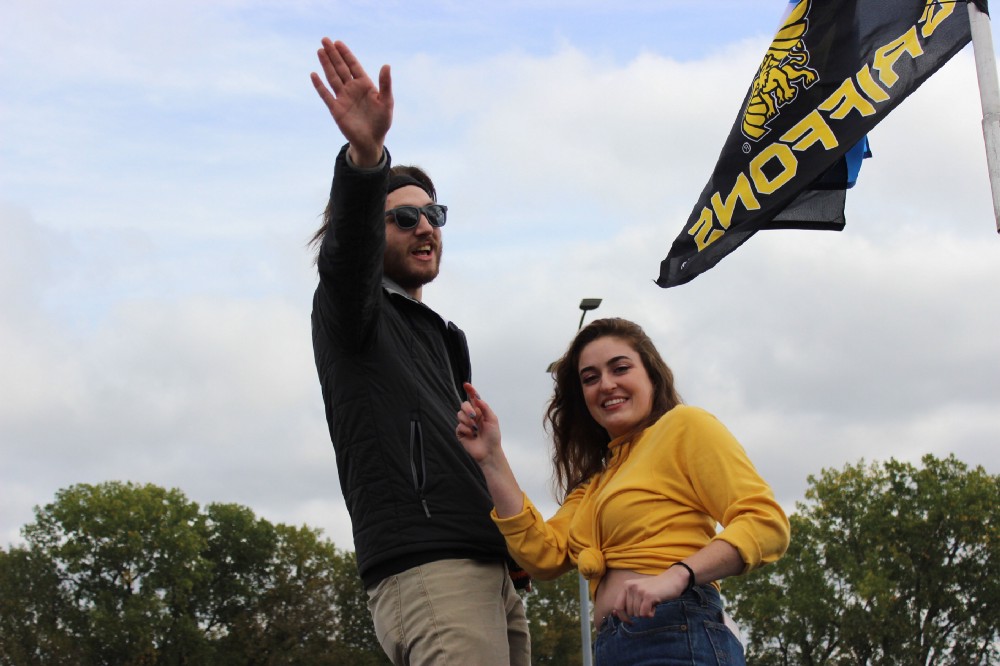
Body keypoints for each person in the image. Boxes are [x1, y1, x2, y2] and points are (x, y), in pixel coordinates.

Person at [308, 38, 530, 666]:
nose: (425, 226)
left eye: (433, 214)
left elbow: (461, 455)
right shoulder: (351, 312)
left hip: (489, 568)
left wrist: (513, 545)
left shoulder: (439, 336)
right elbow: (347, 255)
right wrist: (366, 157)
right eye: (404, 218)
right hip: (431, 571)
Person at [456, 317, 790, 666]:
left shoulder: (684, 425)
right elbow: (543, 556)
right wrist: (492, 458)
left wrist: (677, 575)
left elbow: (765, 522)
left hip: (677, 631)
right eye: (590, 378)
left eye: (620, 368)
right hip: (613, 647)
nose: (606, 384)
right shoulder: (593, 486)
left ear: (652, 375)